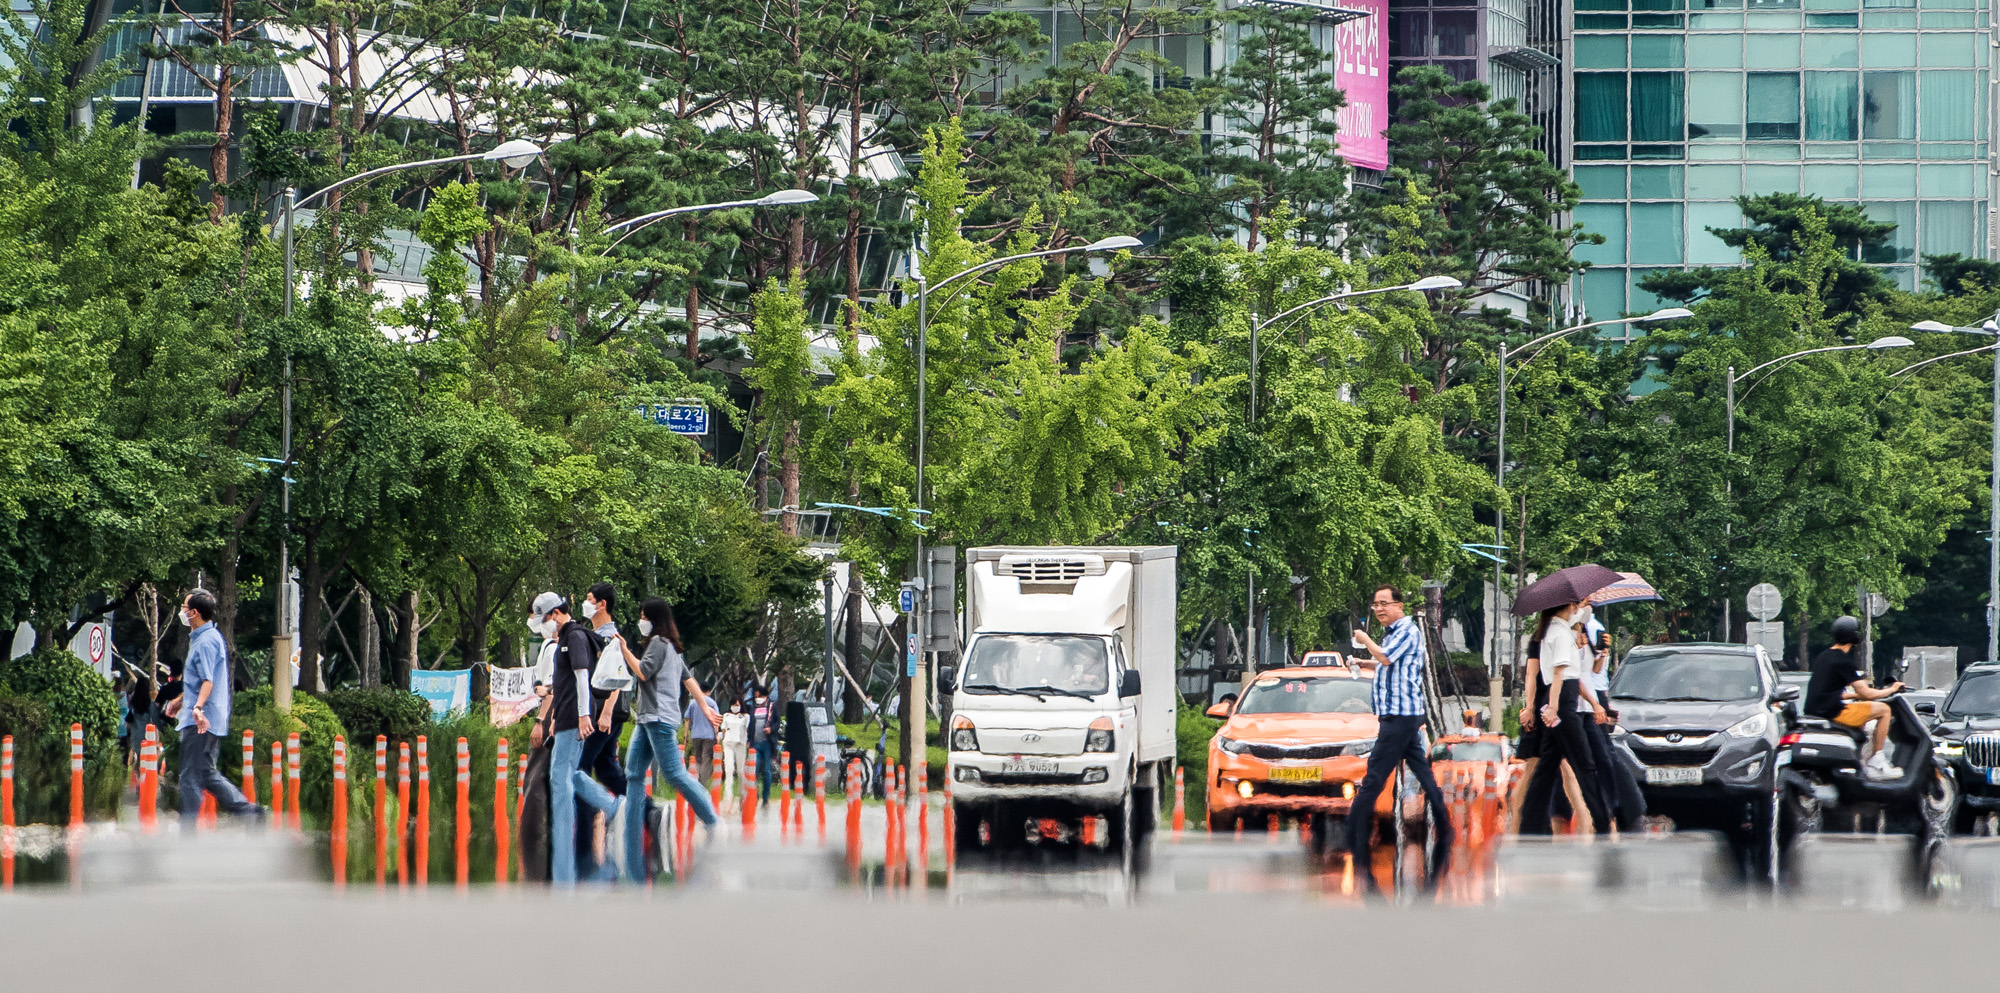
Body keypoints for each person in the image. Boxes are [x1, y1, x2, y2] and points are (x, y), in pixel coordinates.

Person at [1345, 585, 1453, 875]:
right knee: (1424, 775)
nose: (1379, 609)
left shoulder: (1406, 631)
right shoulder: (1393, 635)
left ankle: (1352, 833)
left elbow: (1387, 659)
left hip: (1400, 717)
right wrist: (1361, 661)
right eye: (1375, 605)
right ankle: (1446, 828)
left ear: (1399, 606)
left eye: (1384, 603)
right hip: (1398, 716)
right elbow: (1385, 663)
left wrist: (1364, 639)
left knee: (1374, 776)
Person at [613, 598, 722, 880]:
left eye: (643, 616)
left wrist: (624, 649)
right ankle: (633, 833)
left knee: (675, 774)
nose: (641, 621)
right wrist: (707, 710)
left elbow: (642, 672)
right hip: (649, 719)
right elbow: (690, 682)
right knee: (634, 773)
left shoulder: (660, 644)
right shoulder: (672, 649)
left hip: (658, 718)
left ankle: (713, 822)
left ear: (653, 619)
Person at [537, 593, 623, 886]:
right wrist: (554, 720)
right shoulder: (565, 639)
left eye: (544, 619)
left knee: (560, 780)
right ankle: (615, 808)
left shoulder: (573, 637)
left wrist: (584, 716)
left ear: (557, 613)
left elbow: (581, 678)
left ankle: (564, 843)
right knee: (570, 775)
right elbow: (564, 685)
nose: (543, 625)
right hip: (566, 719)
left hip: (575, 719)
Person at [163, 590, 264, 830]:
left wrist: (197, 708)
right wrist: (180, 701)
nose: (182, 611)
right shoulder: (204, 638)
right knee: (205, 773)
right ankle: (250, 813)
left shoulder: (206, 641)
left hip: (201, 719)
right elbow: (198, 682)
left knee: (190, 776)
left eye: (184, 607)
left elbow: (208, 681)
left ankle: (187, 832)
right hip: (202, 715)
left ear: (194, 612)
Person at [1515, 602, 1613, 836]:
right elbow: (1560, 674)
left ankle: (1528, 826)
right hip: (1563, 706)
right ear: (1568, 607)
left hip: (1561, 701)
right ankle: (1602, 824)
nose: (1580, 610)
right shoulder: (1558, 634)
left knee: (1546, 770)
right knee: (1585, 766)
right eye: (1577, 606)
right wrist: (1554, 707)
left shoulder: (1555, 632)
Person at [1804, 615, 1906, 779]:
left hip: (1818, 710)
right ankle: (1876, 762)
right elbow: (1868, 693)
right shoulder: (1844, 661)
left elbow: (1827, 691)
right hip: (1833, 712)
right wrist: (1892, 689)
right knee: (1884, 710)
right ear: (1854, 636)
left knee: (1865, 721)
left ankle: (1861, 762)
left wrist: (1854, 695)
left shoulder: (1824, 656)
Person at [575, 582, 630, 879]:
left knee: (580, 769)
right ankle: (646, 811)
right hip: (605, 715)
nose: (587, 604)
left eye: (589, 599)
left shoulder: (610, 635)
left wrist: (606, 712)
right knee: (607, 769)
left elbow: (618, 677)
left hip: (603, 715)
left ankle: (590, 826)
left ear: (602, 605)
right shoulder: (599, 634)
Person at [519, 593, 562, 883]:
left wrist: (541, 721)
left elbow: (556, 687)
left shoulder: (562, 646)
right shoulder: (549, 645)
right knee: (546, 778)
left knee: (535, 779)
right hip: (548, 712)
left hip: (551, 717)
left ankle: (532, 836)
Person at [750, 684, 778, 804]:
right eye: (756, 696)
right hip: (755, 743)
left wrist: (771, 729)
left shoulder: (772, 707)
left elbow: (777, 722)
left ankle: (765, 797)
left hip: (767, 743)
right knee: (753, 770)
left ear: (765, 696)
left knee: (767, 771)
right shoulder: (753, 708)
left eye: (759, 696)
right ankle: (754, 795)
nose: (757, 698)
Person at [720, 698, 750, 810]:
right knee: (729, 769)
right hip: (728, 744)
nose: (735, 706)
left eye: (737, 704)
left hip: (740, 744)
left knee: (741, 770)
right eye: (733, 704)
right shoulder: (726, 715)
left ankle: (743, 795)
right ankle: (728, 797)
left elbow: (747, 730)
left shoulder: (745, 717)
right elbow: (723, 729)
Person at [684, 691, 718, 788]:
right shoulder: (712, 703)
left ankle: (697, 781)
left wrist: (686, 735)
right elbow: (716, 720)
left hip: (696, 735)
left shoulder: (693, 703)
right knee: (706, 760)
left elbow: (687, 719)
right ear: (709, 691)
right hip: (708, 736)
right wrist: (716, 735)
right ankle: (702, 785)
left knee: (698, 759)